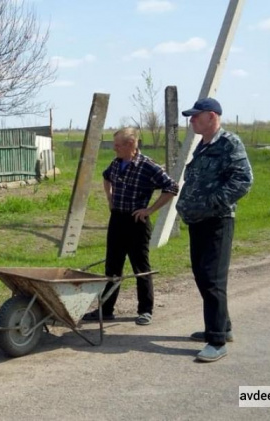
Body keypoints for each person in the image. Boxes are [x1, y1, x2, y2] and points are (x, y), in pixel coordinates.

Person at [177, 97, 253, 362]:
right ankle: (222, 327)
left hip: (217, 221)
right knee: (202, 275)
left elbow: (243, 180)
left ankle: (217, 341)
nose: (191, 120)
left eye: (196, 116)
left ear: (211, 116)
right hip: (198, 222)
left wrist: (211, 204)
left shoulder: (229, 143)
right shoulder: (203, 145)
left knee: (212, 278)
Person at [82, 128, 179, 325]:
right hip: (117, 220)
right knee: (112, 268)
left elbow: (172, 187)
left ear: (131, 145)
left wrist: (150, 210)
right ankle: (106, 310)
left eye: (117, 145)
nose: (114, 148)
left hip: (137, 222)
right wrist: (110, 198)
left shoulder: (147, 166)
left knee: (140, 267)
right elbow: (106, 177)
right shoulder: (116, 164)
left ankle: (145, 310)